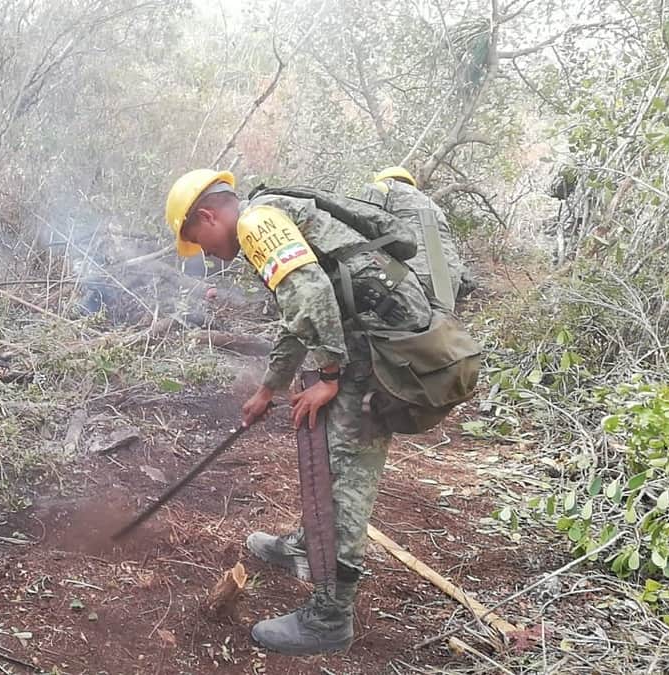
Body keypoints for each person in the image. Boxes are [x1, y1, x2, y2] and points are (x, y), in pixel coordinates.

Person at [163, 169, 433, 654]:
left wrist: (330, 376)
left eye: (197, 242)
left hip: (380, 347)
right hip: (366, 339)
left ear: (206, 216)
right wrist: (271, 387)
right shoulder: (266, 220)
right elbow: (299, 312)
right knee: (323, 442)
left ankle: (331, 617)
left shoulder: (255, 223)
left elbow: (311, 295)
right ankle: (310, 546)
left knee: (347, 471)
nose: (204, 253)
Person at [364, 166, 475, 301]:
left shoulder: (382, 187)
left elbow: (365, 221)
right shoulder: (432, 204)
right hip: (448, 282)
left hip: (408, 276)